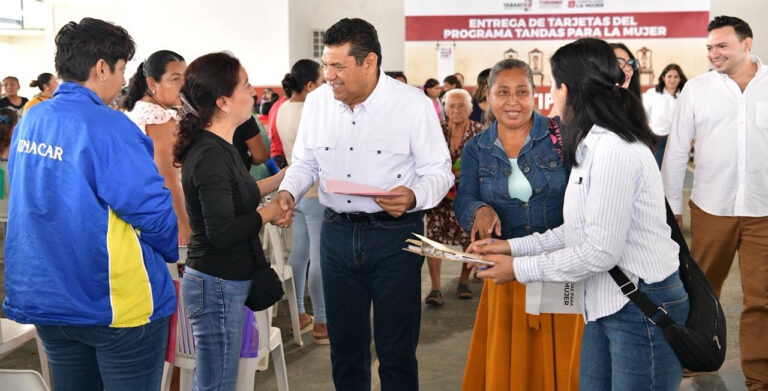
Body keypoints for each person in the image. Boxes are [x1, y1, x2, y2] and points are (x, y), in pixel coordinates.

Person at [471, 38, 687, 391]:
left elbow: (600, 252)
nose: (551, 96)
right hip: (605, 301)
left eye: (553, 86)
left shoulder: (615, 150)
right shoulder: (590, 145)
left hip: (641, 308)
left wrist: (519, 269)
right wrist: (510, 248)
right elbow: (575, 231)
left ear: (568, 89)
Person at [274, 18, 453, 390]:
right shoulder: (319, 102)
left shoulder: (412, 105)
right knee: (345, 350)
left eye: (339, 66)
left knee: (396, 351)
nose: (330, 75)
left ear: (369, 63)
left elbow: (440, 172)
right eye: (326, 65)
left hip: (395, 237)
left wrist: (414, 196)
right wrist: (288, 192)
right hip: (336, 233)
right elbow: (305, 162)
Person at [3, 18, 179, 390]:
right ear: (101, 67)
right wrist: (169, 251)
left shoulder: (31, 120)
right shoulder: (109, 127)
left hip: (48, 297)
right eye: (121, 70)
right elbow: (152, 211)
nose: (121, 82)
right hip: (114, 304)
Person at [454, 59, 581, 391]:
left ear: (535, 94)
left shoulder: (561, 138)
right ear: (488, 95)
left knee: (562, 359)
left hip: (558, 266)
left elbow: (584, 202)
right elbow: (463, 198)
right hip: (505, 270)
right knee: (511, 363)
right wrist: (478, 209)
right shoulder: (476, 149)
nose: (513, 102)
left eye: (522, 92)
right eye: (503, 92)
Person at [662, 16, 768, 390]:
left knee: (763, 300)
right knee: (703, 288)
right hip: (711, 208)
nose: (713, 53)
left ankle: (760, 377)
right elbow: (676, 151)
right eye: (709, 47)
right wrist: (672, 204)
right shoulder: (698, 89)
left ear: (746, 43)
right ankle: (694, 356)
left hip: (764, 212)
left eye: (721, 45)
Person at [174, 52, 290, 390]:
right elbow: (222, 232)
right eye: (245, 85)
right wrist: (269, 212)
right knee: (217, 383)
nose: (253, 92)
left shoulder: (220, 146)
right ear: (223, 101)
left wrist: (282, 180)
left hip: (225, 280)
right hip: (217, 282)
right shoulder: (210, 154)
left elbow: (237, 193)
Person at [276, 58, 328, 343]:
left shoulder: (282, 109)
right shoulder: (313, 111)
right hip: (317, 191)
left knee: (299, 255)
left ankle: (298, 314)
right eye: (322, 83)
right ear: (310, 86)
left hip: (296, 191)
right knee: (319, 258)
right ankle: (322, 321)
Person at [123, 50, 192, 245]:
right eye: (175, 79)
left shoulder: (139, 109)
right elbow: (169, 178)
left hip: (143, 210)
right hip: (165, 213)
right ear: (153, 83)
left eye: (184, 78)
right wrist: (184, 225)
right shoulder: (160, 118)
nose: (183, 85)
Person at [424, 88, 482, 307]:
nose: (456, 110)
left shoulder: (479, 131)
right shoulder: (436, 130)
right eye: (451, 106)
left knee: (469, 238)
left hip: (467, 196)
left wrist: (464, 174)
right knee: (433, 240)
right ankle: (436, 287)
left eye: (461, 106)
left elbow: (487, 162)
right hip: (439, 196)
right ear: (444, 108)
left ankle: (464, 282)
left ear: (470, 108)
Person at [643, 64, 687, 167]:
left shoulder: (684, 96)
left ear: (680, 79)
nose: (672, 80)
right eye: (669, 76)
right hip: (658, 139)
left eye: (676, 77)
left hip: (677, 140)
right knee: (657, 169)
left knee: (675, 170)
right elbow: (643, 115)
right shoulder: (652, 94)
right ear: (663, 78)